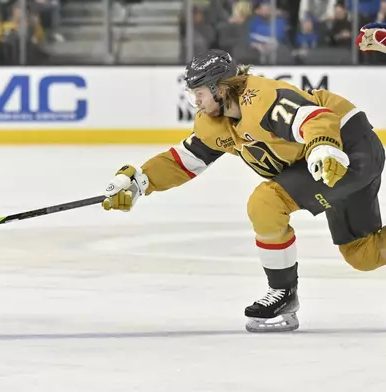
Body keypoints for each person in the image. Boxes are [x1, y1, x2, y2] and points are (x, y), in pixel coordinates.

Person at [102, 49, 385, 333]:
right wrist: (142, 180)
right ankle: (284, 292)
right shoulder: (214, 121)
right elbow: (186, 160)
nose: (195, 101)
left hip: (348, 149)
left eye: (199, 93)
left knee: (266, 202)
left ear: (220, 89)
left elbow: (314, 118)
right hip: (314, 161)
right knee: (364, 254)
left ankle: (283, 293)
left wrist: (323, 145)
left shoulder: (260, 98)